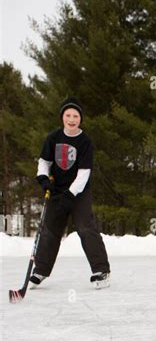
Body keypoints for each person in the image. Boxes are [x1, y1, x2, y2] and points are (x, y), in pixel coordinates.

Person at [31, 97, 110, 289]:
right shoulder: (53, 138)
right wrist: (43, 178)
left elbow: (84, 174)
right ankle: (40, 270)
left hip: (79, 193)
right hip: (57, 190)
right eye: (68, 115)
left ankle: (101, 271)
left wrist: (71, 194)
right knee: (49, 229)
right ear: (62, 117)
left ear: (80, 119)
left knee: (85, 228)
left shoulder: (85, 142)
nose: (72, 119)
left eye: (75, 116)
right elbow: (44, 161)